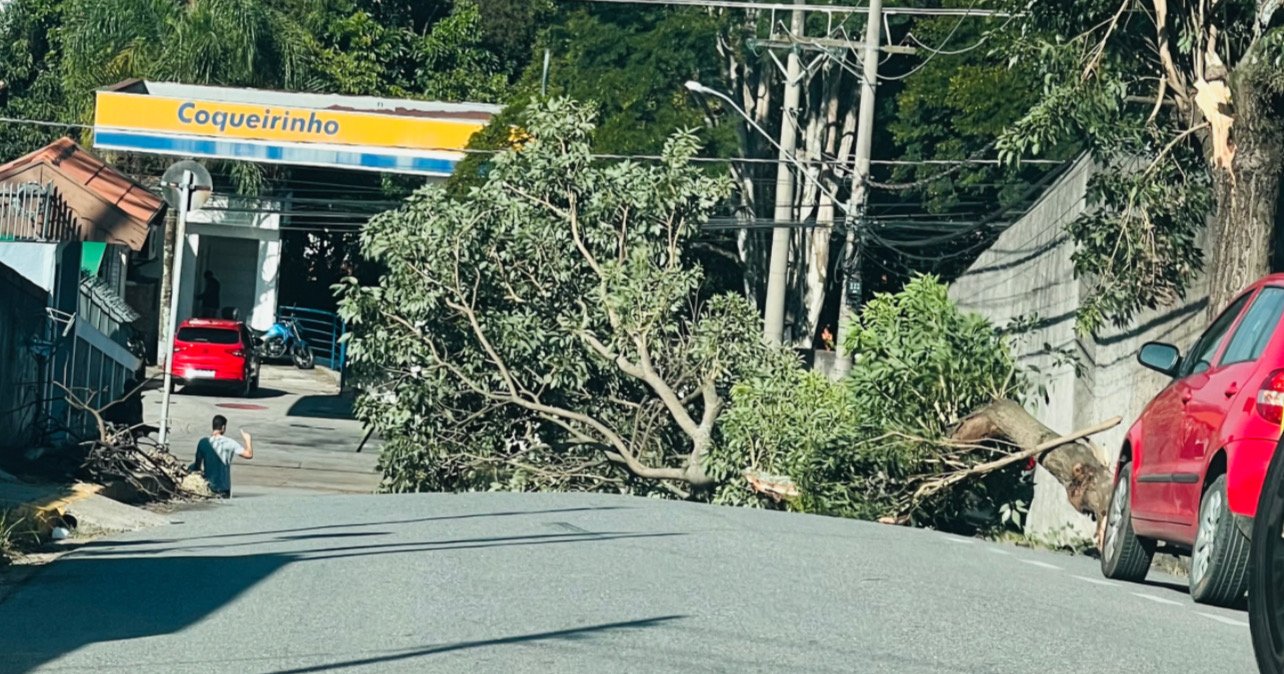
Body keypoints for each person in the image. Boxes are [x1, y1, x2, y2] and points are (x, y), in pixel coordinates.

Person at [189, 414, 253, 498]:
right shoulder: (230, 442)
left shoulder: (203, 442)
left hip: (208, 489)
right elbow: (249, 454)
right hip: (224, 489)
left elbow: (197, 466)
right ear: (223, 427)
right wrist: (248, 440)